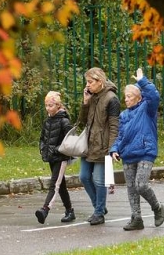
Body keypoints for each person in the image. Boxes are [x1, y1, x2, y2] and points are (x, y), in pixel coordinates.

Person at [110, 68, 164, 230]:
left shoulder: (148, 109)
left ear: (138, 98)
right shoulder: (124, 115)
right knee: (131, 188)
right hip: (127, 154)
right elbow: (120, 135)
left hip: (145, 152)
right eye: (125, 96)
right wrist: (114, 149)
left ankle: (157, 208)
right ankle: (136, 218)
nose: (126, 99)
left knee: (141, 185)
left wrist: (142, 81)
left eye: (129, 96)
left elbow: (154, 95)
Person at [78, 67, 120, 225]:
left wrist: (112, 149)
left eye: (90, 82)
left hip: (103, 146)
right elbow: (82, 122)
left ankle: (99, 213)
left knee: (98, 179)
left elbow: (114, 127)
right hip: (88, 144)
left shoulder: (112, 99)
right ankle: (99, 207)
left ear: (100, 81)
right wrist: (85, 102)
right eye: (86, 82)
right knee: (83, 177)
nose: (87, 85)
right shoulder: (92, 96)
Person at [35, 91, 76, 224]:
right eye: (46, 105)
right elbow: (42, 138)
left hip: (61, 158)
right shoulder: (47, 121)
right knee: (61, 184)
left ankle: (45, 209)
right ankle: (70, 211)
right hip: (50, 157)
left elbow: (69, 141)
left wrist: (57, 150)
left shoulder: (64, 121)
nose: (48, 108)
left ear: (58, 105)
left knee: (55, 185)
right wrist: (43, 149)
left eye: (51, 105)